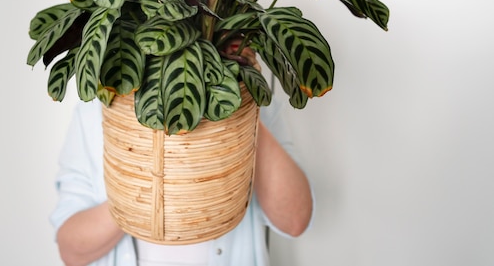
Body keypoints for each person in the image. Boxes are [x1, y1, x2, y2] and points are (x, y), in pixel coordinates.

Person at [50, 44, 314, 266]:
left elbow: (295, 220)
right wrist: (146, 192)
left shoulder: (256, 107)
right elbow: (72, 249)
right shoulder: (98, 112)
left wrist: (241, 109)